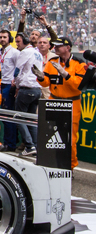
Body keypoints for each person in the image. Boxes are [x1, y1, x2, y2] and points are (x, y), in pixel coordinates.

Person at [36, 37, 85, 168]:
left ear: (68, 47)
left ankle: (71, 165)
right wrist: (40, 77)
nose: (55, 48)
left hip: (72, 103)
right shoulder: (52, 62)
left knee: (70, 137)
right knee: (51, 134)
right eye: (55, 46)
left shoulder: (79, 63)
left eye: (59, 46)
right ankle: (52, 162)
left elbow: (78, 85)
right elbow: (46, 82)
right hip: (54, 100)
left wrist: (65, 74)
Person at [14, 33, 43, 156]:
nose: (17, 44)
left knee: (18, 117)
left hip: (26, 88)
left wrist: (16, 84)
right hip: (37, 89)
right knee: (31, 118)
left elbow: (17, 70)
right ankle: (35, 146)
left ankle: (30, 145)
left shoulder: (25, 52)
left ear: (25, 41)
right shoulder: (39, 53)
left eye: (19, 42)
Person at [0, 30, 20, 151]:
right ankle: (6, 141)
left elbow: (19, 68)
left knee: (8, 114)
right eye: (0, 37)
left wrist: (15, 82)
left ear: (9, 38)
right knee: (2, 114)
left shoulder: (15, 52)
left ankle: (10, 144)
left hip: (8, 85)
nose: (2, 39)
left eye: (4, 37)